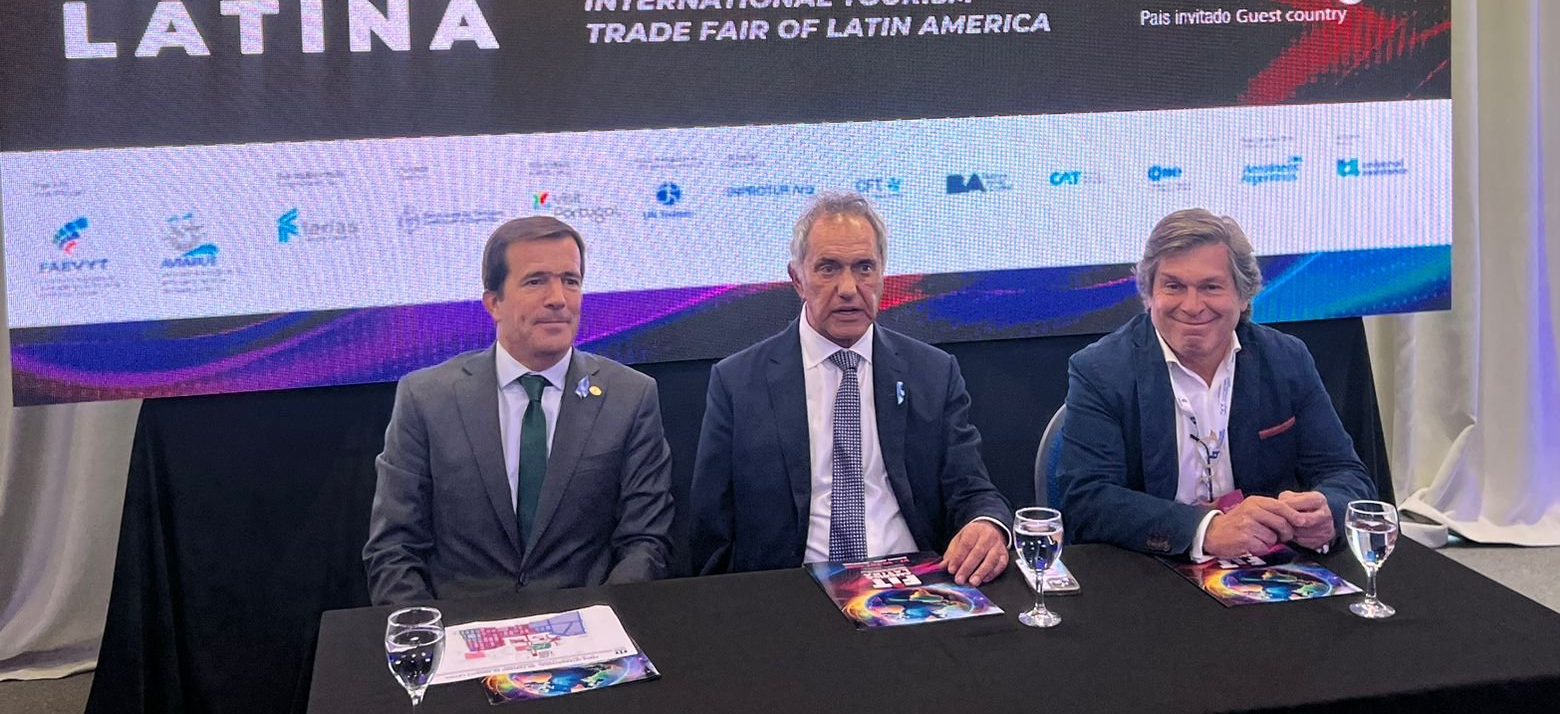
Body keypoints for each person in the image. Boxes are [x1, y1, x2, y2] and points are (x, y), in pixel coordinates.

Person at [691, 193, 1011, 583]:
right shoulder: (738, 383)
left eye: (864, 268)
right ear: (798, 279)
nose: (847, 288)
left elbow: (971, 488)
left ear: (882, 275)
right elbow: (712, 531)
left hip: (913, 585)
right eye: (828, 268)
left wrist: (987, 523)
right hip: (793, 591)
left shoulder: (932, 372)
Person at [364, 216, 673, 604]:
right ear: (494, 303)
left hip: (589, 625)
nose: (558, 298)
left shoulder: (630, 396)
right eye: (535, 281)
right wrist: (430, 634)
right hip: (462, 626)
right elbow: (394, 550)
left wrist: (603, 625)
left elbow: (646, 542)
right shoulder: (426, 398)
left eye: (570, 280)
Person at [1055, 208, 1377, 559]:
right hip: (1153, 567)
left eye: (1211, 287)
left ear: (1243, 295)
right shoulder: (1101, 370)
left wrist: (1327, 512)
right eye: (1173, 286)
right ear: (1149, 295)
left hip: (1266, 565)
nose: (1192, 306)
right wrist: (1204, 529)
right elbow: (1086, 502)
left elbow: (1346, 474)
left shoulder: (1286, 360)